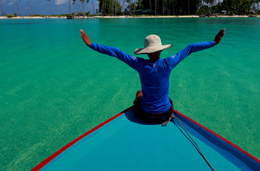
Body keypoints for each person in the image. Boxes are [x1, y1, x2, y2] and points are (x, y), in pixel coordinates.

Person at [80, 28, 225, 124]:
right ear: (160, 50)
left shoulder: (139, 64)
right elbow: (191, 47)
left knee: (139, 93)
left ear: (146, 52)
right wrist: (214, 42)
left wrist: (91, 44)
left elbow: (116, 52)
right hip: (165, 115)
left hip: (146, 115)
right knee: (167, 98)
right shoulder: (169, 63)